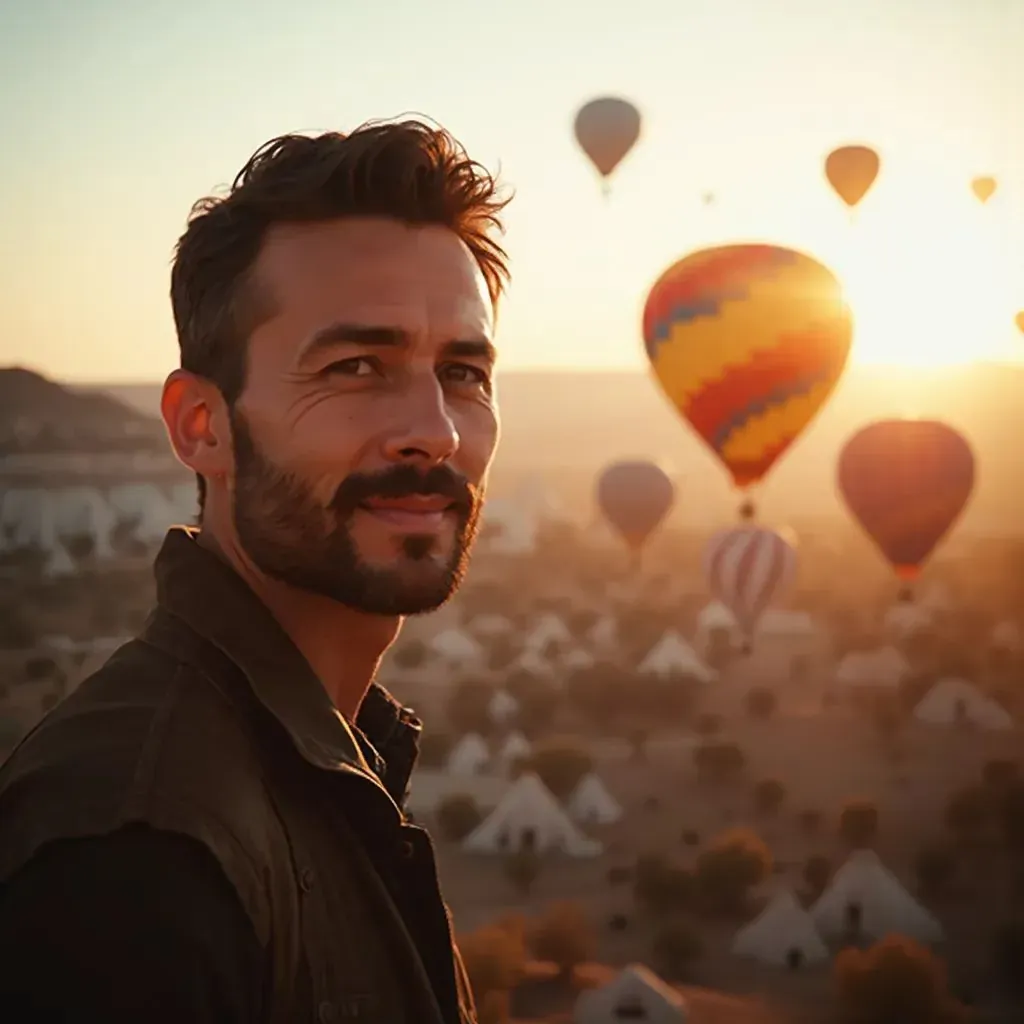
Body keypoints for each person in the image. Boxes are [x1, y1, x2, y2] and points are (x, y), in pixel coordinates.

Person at [0, 119, 511, 1023]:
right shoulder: (134, 853)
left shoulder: (323, 767)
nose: (434, 429)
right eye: (357, 366)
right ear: (203, 424)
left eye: (464, 372)